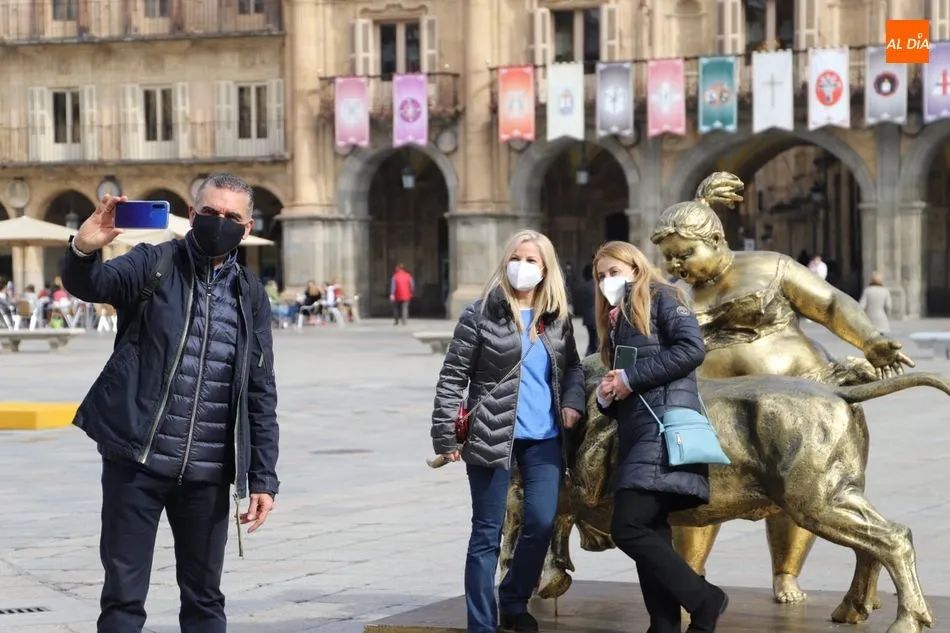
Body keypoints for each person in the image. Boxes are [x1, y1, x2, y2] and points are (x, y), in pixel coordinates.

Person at [649, 171, 912, 603]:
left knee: (800, 491)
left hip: (803, 394)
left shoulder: (768, 265)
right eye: (669, 258)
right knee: (695, 493)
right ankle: (689, 577)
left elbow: (829, 303)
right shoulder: (675, 295)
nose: (676, 266)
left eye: (685, 254)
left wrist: (871, 340)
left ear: (716, 240)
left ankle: (786, 573)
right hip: (718, 411)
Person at [60, 172, 280, 633]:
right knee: (122, 597)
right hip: (136, 461)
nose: (219, 222)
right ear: (192, 215)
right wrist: (84, 247)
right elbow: (93, 284)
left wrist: (262, 476)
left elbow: (260, 388)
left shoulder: (250, 294)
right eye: (209, 212)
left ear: (248, 226)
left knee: (204, 601)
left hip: (207, 472)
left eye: (230, 216)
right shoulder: (153, 262)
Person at [430, 229, 585, 633]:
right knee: (487, 532)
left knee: (541, 520)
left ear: (546, 268)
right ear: (505, 261)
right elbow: (452, 377)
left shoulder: (557, 319)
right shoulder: (479, 314)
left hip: (545, 437)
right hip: (490, 434)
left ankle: (513, 599)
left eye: (532, 260)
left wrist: (573, 403)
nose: (523, 266)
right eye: (517, 257)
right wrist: (446, 436)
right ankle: (482, 624)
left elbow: (573, 369)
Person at [592, 240, 727, 633]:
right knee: (650, 531)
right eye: (601, 276)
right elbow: (628, 388)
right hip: (639, 433)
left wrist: (631, 378)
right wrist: (607, 395)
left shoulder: (664, 297)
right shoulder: (618, 321)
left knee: (627, 527)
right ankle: (663, 624)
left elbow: (691, 349)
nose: (607, 281)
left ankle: (706, 599)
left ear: (635, 268)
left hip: (665, 429)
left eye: (614, 271)